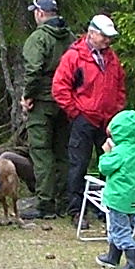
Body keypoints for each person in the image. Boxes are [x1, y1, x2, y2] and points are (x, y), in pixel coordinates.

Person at [52, 14, 126, 225]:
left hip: (107, 121)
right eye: (104, 36)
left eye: (109, 37)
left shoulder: (112, 58)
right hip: (84, 119)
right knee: (78, 165)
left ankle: (107, 208)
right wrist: (75, 113)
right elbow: (59, 87)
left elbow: (120, 86)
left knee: (109, 164)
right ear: (92, 33)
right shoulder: (74, 56)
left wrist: (116, 110)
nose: (108, 40)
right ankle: (77, 210)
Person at [20, 0, 72, 219]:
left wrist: (28, 96)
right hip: (65, 100)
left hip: (42, 100)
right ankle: (63, 201)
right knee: (62, 152)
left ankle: (45, 203)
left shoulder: (38, 38)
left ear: (40, 13)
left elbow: (33, 70)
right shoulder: (70, 37)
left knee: (41, 152)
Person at [92, 109, 135, 269]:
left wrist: (107, 153)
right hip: (132, 199)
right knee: (120, 227)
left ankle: (132, 263)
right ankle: (112, 257)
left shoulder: (120, 152)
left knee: (120, 231)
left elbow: (104, 167)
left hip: (118, 198)